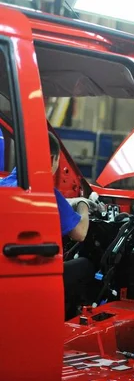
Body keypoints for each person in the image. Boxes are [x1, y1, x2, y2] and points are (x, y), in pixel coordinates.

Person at [0, 131, 98, 319]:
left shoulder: (4, 185)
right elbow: (80, 233)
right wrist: (83, 205)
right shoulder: (47, 194)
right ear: (51, 158)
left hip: (9, 276)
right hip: (36, 279)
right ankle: (69, 319)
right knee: (85, 266)